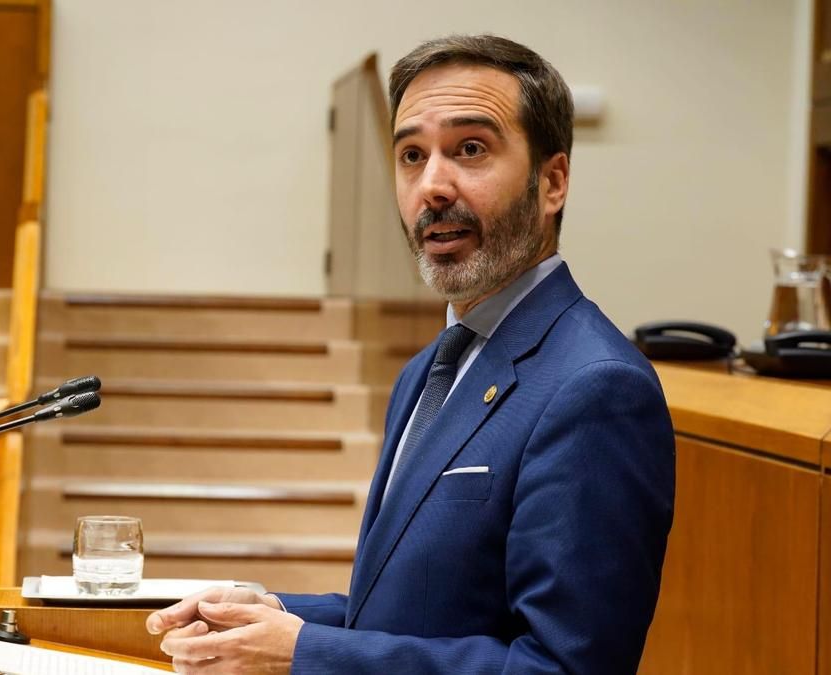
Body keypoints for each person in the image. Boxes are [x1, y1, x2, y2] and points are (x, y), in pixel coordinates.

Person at [146, 34, 675, 674]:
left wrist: (303, 655)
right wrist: (266, 613)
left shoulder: (597, 387)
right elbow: (404, 617)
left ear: (553, 181)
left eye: (470, 150)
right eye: (411, 155)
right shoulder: (427, 370)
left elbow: (560, 668)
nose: (432, 186)